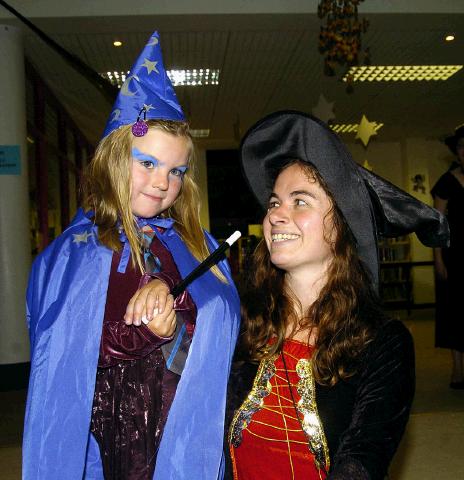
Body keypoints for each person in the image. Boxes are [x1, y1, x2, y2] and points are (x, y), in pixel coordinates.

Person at [22, 31, 240, 480]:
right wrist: (146, 330)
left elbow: (223, 325)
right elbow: (69, 351)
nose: (163, 183)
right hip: (115, 429)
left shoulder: (193, 244)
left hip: (182, 416)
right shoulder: (76, 253)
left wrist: (174, 312)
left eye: (176, 171)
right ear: (113, 160)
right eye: (148, 163)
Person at [225, 111, 449, 480]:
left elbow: (362, 459)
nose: (278, 214)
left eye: (300, 201)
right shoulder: (244, 322)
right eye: (274, 202)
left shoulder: (382, 343)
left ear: (341, 225)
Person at [431, 124, 464, 389]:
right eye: (462, 147)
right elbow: (437, 224)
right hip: (455, 256)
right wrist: (438, 259)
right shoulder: (446, 182)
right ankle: (457, 368)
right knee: (456, 311)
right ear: (456, 151)